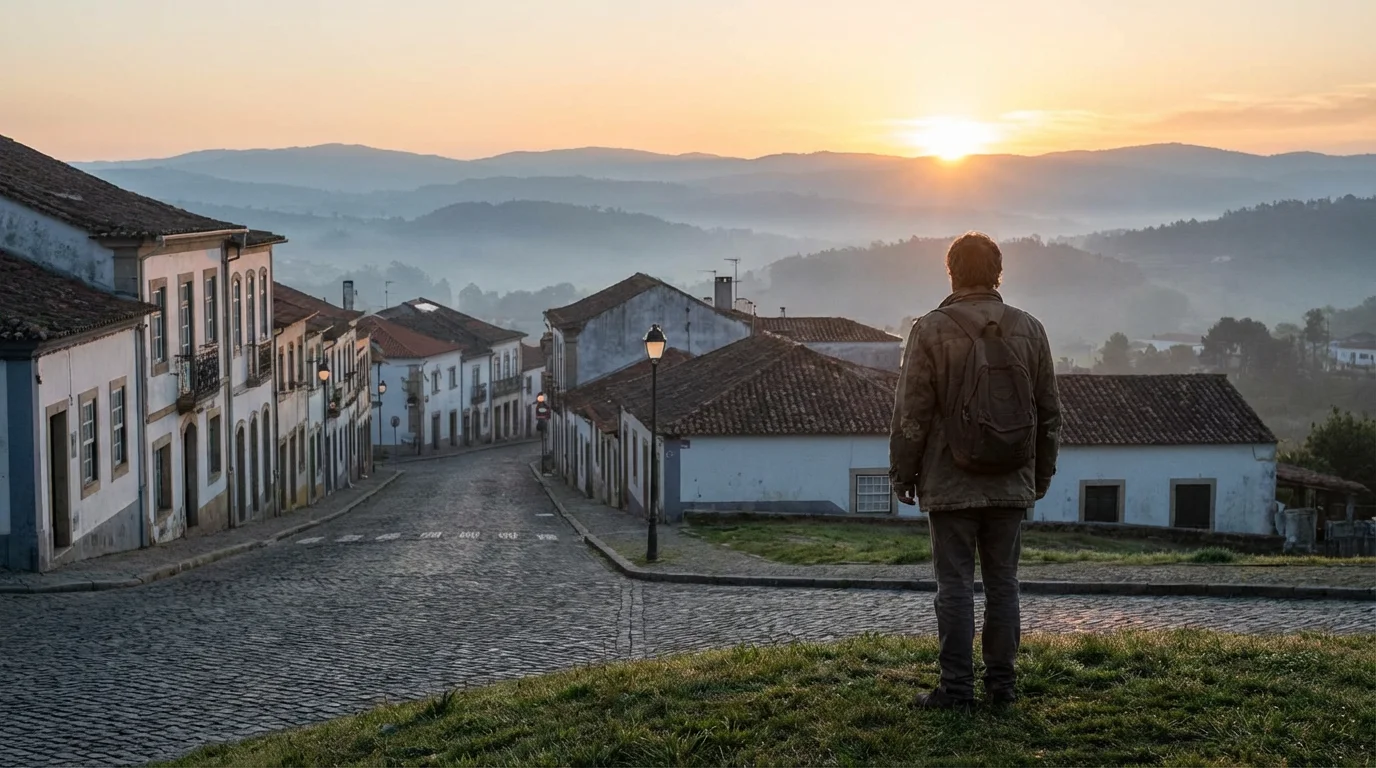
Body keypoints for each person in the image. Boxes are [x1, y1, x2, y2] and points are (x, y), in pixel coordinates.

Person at [889, 231, 1061, 710]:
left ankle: (956, 690)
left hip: (951, 482)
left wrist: (903, 474)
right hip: (1011, 481)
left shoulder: (930, 329)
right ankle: (1002, 690)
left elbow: (912, 412)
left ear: (951, 272)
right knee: (1004, 585)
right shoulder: (1030, 328)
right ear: (997, 273)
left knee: (955, 586)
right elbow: (1048, 411)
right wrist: (1040, 475)